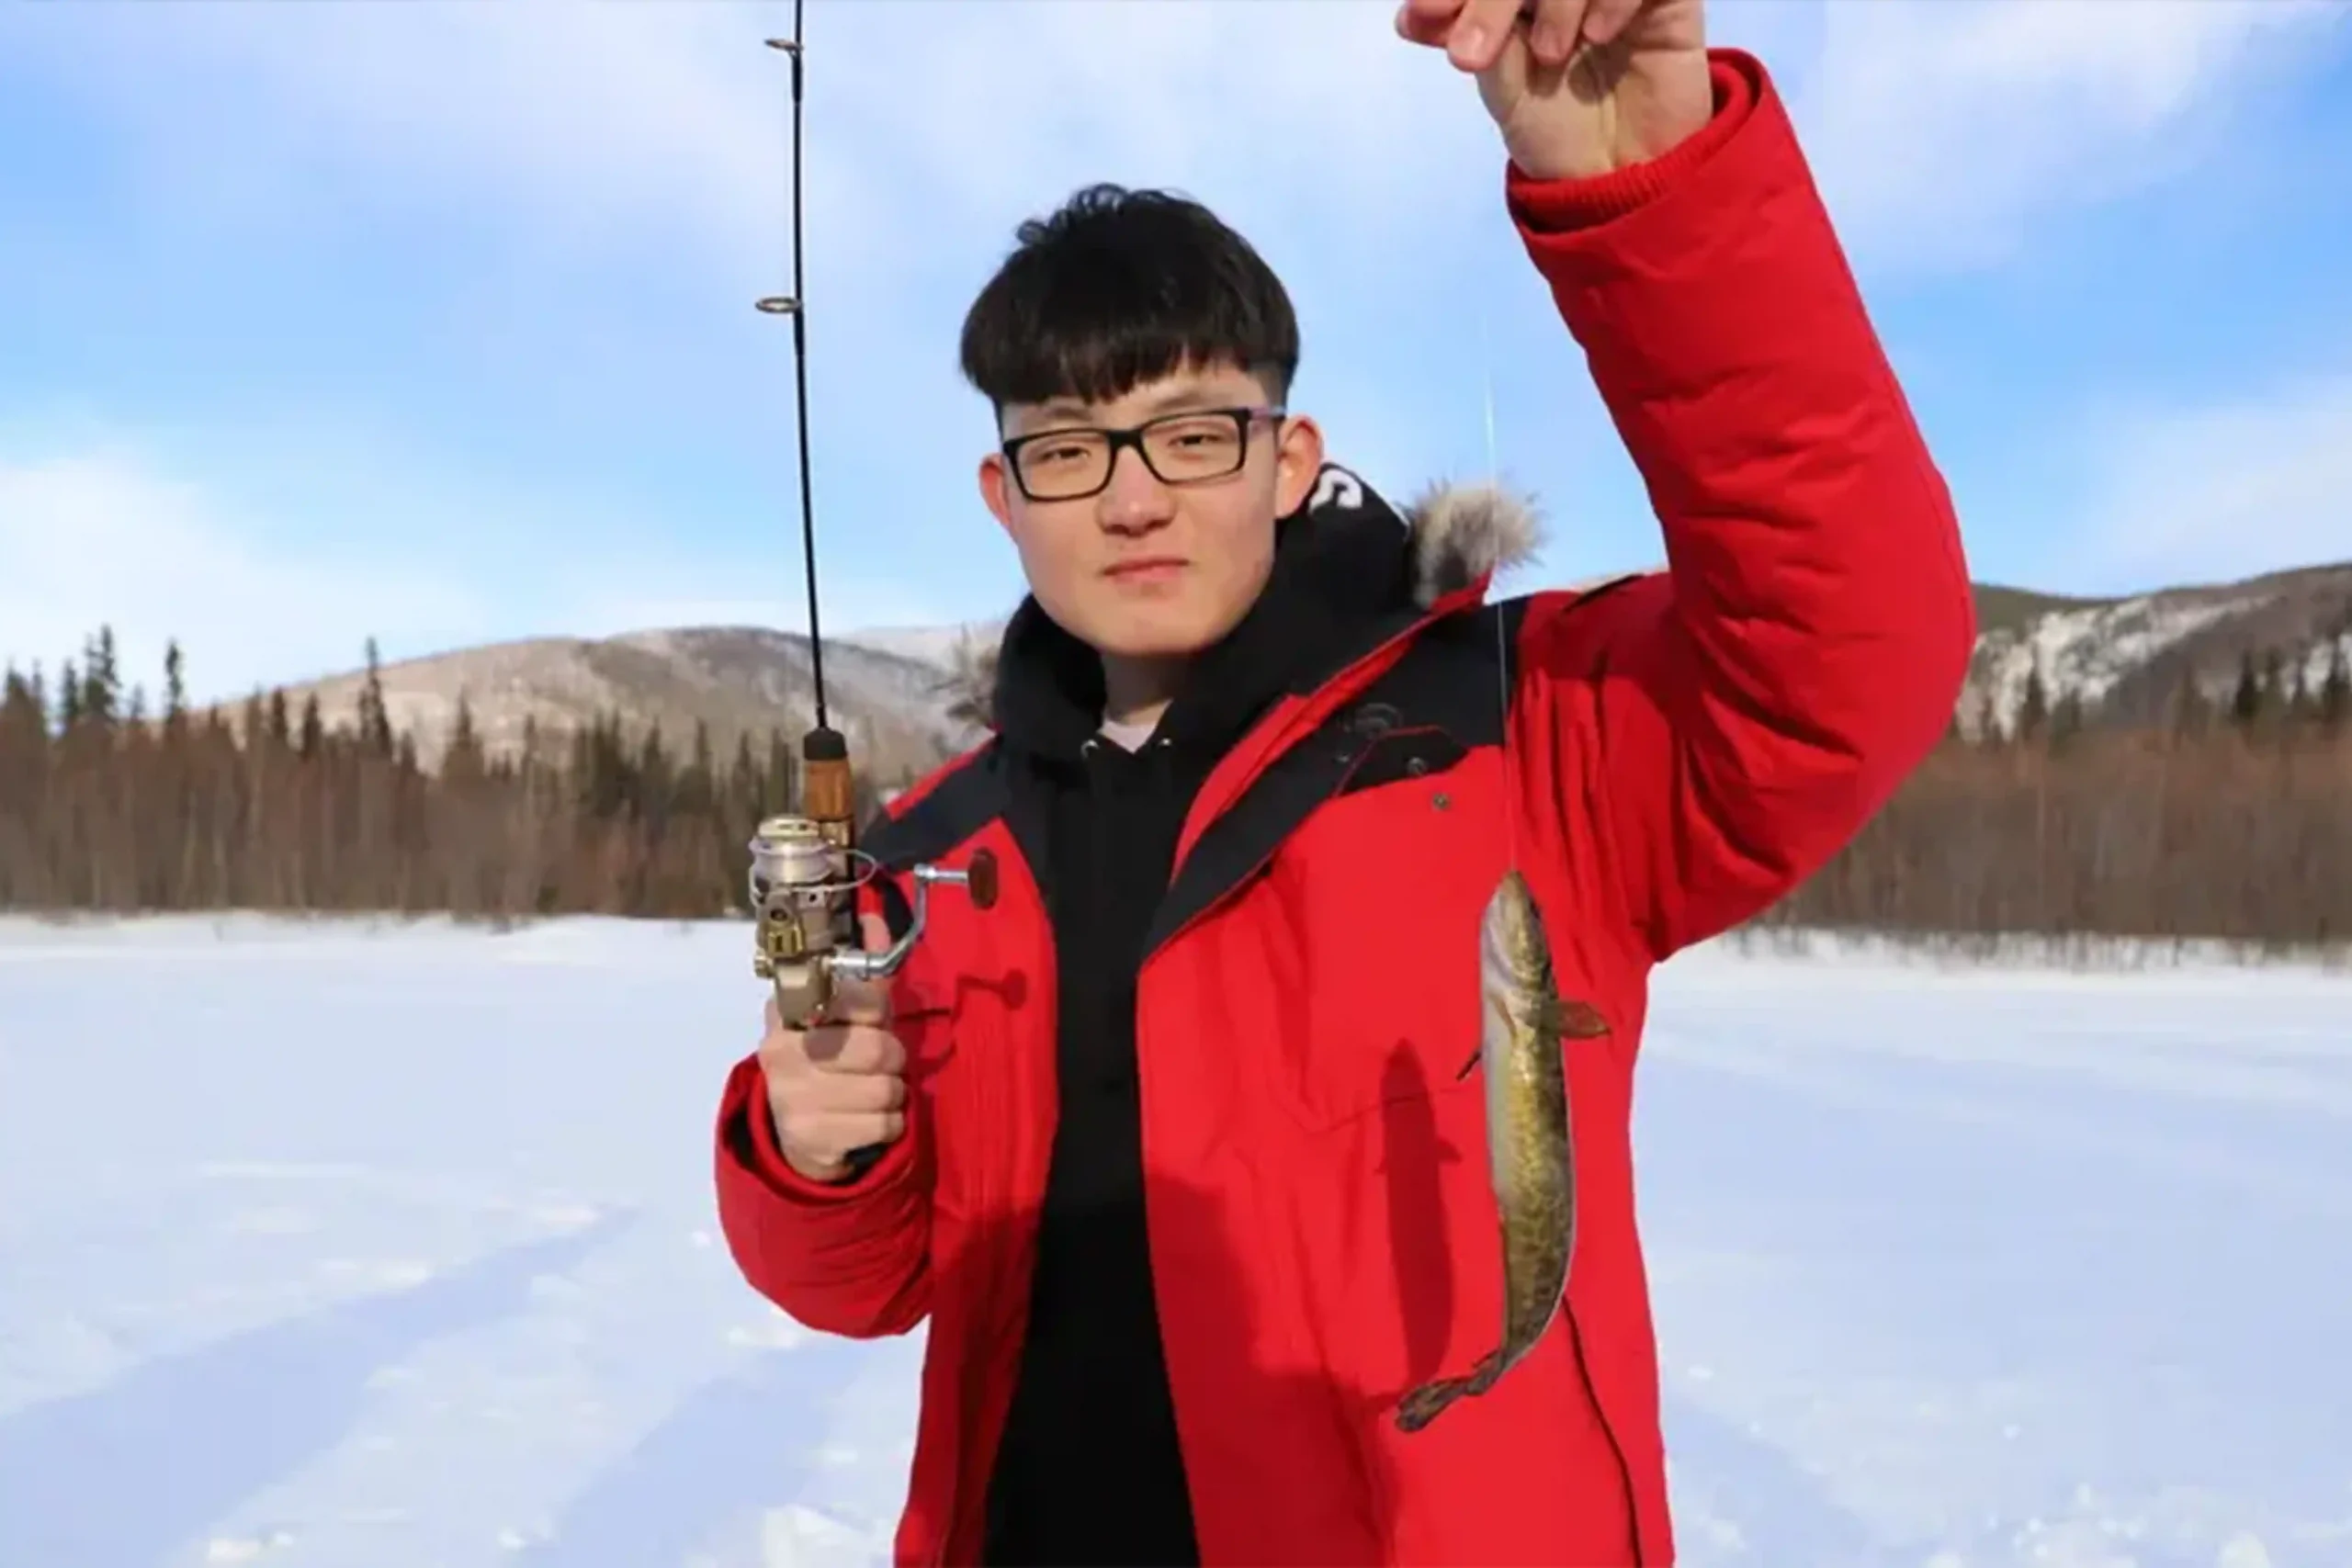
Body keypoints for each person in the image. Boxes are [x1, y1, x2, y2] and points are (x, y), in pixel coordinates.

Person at [714, 0, 1973, 1562]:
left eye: (1192, 434)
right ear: (1003, 494)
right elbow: (866, 1281)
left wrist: (1657, 191)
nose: (1131, 500)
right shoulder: (936, 853)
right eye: (1069, 450)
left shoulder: (1524, 727)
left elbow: (1856, 645)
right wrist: (819, 1151)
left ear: (1290, 457)